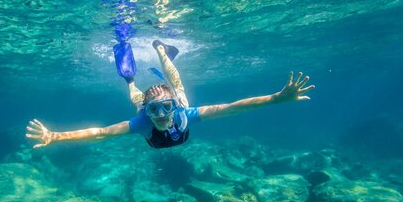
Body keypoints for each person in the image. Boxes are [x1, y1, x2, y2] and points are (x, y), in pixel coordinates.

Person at [26, 40, 314, 149]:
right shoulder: (143, 120)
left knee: (176, 83)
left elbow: (233, 107)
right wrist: (56, 137)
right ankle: (129, 77)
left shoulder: (183, 112)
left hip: (177, 98)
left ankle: (161, 49)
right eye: (156, 111)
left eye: (166, 108)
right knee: (134, 93)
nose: (162, 116)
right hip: (144, 102)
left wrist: (277, 98)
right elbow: (100, 132)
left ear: (173, 107)